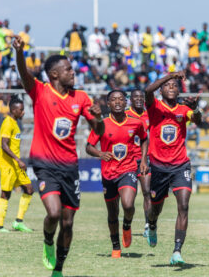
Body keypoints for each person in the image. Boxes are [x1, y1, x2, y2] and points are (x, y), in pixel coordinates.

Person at [13, 35, 104, 277]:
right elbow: (24, 75)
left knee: (68, 222)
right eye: (68, 70)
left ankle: (59, 269)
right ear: (54, 74)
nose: (72, 73)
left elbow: (99, 131)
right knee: (53, 213)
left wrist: (99, 117)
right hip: (44, 164)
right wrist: (20, 53)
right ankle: (47, 242)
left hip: (70, 167)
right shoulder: (40, 92)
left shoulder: (81, 97)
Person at [144, 71, 202, 265]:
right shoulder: (154, 106)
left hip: (180, 165)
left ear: (178, 91)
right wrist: (171, 75)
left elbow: (196, 119)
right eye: (167, 85)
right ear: (161, 89)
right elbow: (147, 90)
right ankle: (152, 225)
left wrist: (197, 111)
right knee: (155, 209)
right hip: (159, 167)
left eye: (174, 85)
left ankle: (177, 251)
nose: (171, 87)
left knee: (184, 206)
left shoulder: (183, 109)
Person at [86, 90, 148, 258]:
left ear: (126, 102)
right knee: (112, 213)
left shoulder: (136, 123)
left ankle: (127, 226)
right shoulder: (101, 124)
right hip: (108, 174)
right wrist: (100, 154)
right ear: (109, 104)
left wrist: (143, 160)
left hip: (127, 169)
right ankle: (115, 246)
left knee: (128, 205)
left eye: (121, 99)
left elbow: (144, 138)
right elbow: (88, 146)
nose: (118, 102)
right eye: (114, 99)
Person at [0, 95, 34, 233]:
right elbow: (4, 145)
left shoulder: (15, 123)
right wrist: (18, 160)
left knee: (29, 189)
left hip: (16, 164)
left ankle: (18, 222)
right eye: (21, 109)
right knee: (6, 194)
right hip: (8, 164)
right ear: (13, 110)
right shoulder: (7, 122)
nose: (23, 112)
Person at [125, 89, 151, 236]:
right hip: (128, 161)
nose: (139, 99)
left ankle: (148, 225)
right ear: (131, 99)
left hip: (144, 159)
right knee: (129, 197)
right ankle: (127, 224)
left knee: (147, 191)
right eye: (136, 97)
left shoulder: (149, 115)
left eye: (142, 97)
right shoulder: (125, 115)